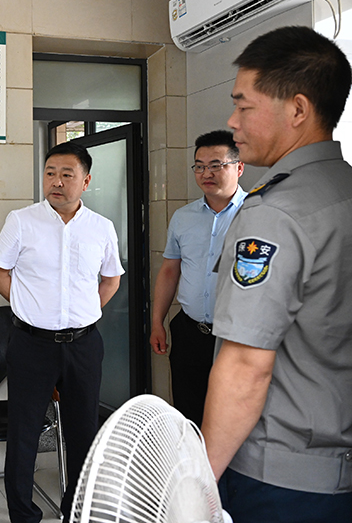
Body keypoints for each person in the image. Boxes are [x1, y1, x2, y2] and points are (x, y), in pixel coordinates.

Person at [202, 26, 352, 522]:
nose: (232, 121)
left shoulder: (274, 213)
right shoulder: (343, 190)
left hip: (279, 478)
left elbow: (247, 366)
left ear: (298, 110)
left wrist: (199, 484)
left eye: (244, 106)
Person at [0, 141, 124, 523]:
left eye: (67, 174)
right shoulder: (21, 221)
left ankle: (75, 509)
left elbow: (111, 279)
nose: (57, 182)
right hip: (32, 344)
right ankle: (23, 515)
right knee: (24, 432)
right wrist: (28, 307)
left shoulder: (101, 227)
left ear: (86, 181)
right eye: (50, 173)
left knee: (83, 432)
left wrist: (86, 313)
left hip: (84, 345)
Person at [150, 130, 245, 426]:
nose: (206, 173)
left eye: (216, 165)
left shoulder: (257, 213)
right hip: (190, 331)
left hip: (237, 336)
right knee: (189, 415)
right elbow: (170, 270)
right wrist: (157, 321)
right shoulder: (183, 217)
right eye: (200, 166)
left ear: (239, 167)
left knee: (232, 420)